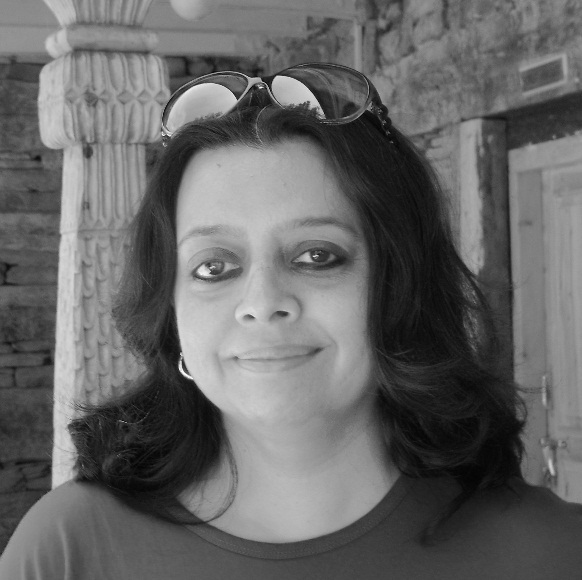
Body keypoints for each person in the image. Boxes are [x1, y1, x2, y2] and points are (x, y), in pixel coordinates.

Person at [1, 63, 581, 579]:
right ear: (171, 313)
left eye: (316, 256)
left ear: (400, 287)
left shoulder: (555, 554)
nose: (261, 301)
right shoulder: (67, 551)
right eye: (213, 266)